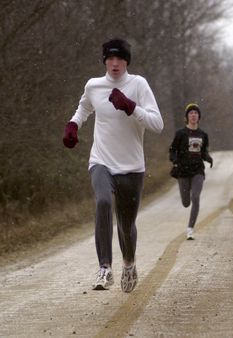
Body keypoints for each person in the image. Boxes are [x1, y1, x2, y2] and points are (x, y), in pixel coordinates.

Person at [62, 38, 164, 292]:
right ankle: (105, 268)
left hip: (132, 167)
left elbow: (157, 124)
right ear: (105, 61)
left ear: (126, 61)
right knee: (104, 202)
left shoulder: (138, 84)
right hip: (101, 161)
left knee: (126, 226)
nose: (114, 63)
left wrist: (131, 108)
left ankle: (129, 263)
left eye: (119, 59)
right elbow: (84, 107)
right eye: (110, 59)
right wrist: (74, 125)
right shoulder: (94, 86)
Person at [169, 103, 213, 240]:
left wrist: (208, 158)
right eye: (191, 113)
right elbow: (172, 150)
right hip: (183, 170)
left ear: (199, 117)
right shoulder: (180, 134)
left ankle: (190, 229)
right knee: (186, 202)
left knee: (196, 196)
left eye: (195, 113)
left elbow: (203, 151)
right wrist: (175, 162)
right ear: (187, 117)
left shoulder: (203, 135)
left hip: (198, 170)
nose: (193, 115)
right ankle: (189, 222)